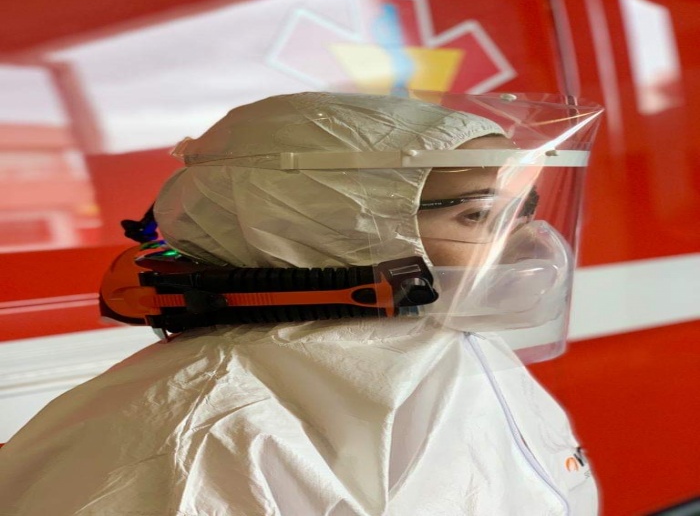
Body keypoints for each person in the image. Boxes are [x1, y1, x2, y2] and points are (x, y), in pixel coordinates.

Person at [0, 91, 601, 515]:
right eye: (478, 215)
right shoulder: (204, 433)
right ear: (329, 226)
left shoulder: (451, 347)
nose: (528, 244)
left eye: (523, 212)